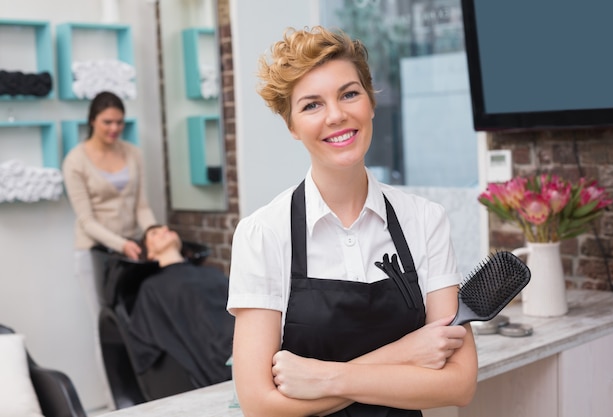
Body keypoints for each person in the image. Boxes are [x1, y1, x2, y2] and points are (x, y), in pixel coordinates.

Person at [226, 26, 478, 417]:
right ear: (291, 126)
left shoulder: (425, 221)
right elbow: (260, 405)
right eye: (312, 105)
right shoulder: (264, 234)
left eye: (349, 94)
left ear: (371, 102)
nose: (337, 116)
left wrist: (325, 379)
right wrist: (406, 354)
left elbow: (459, 384)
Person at [62, 91, 157, 409]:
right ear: (92, 121)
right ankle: (116, 403)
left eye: (119, 121)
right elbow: (86, 220)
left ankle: (144, 396)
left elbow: (141, 206)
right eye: (107, 122)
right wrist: (121, 244)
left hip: (131, 251)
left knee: (137, 324)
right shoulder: (75, 160)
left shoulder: (133, 153)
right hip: (96, 253)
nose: (114, 128)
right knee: (105, 328)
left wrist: (154, 234)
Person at [126, 224, 234, 388]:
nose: (164, 231)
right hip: (212, 366)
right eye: (155, 233)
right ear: (149, 254)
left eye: (166, 229)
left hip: (242, 348)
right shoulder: (152, 288)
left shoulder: (212, 273)